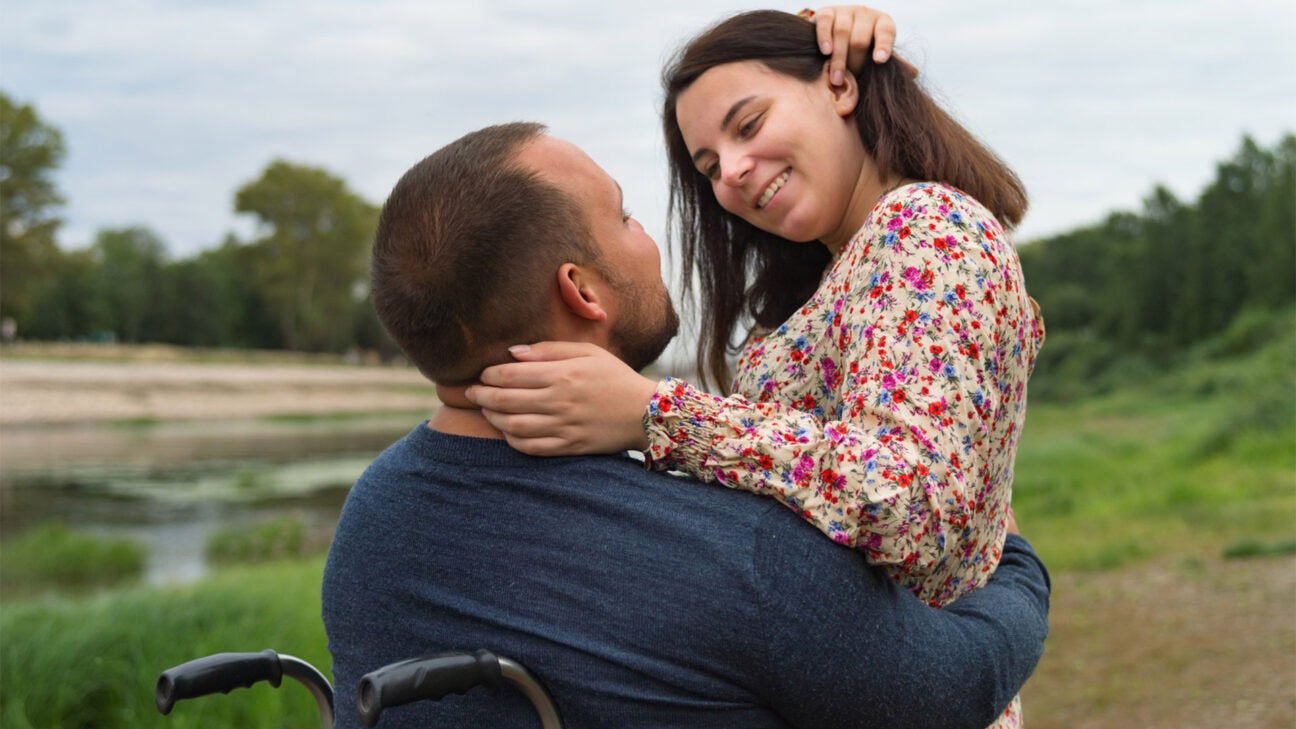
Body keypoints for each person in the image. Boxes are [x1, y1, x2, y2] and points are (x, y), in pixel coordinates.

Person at [321, 121, 1050, 728]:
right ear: (581, 291)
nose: (651, 237)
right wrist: (1018, 568)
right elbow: (951, 690)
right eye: (626, 213)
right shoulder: (743, 551)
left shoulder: (370, 521)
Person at [464, 9, 1046, 728]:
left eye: (748, 124)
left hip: (912, 694)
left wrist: (653, 415)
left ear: (838, 87)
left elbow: (907, 510)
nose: (732, 171)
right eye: (709, 165)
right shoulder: (846, 263)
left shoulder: (925, 226)